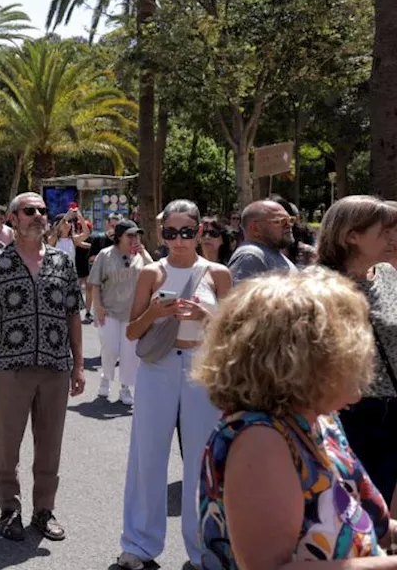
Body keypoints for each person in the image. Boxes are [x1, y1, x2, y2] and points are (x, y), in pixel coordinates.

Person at [195, 269, 397, 568]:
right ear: (304, 361)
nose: (366, 355)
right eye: (354, 343)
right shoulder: (260, 440)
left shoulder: (319, 421)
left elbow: (373, 529)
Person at [117, 200, 232, 570]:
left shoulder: (218, 273)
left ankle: (202, 552)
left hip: (201, 367)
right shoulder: (152, 272)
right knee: (146, 456)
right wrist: (155, 311)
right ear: (161, 233)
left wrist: (206, 315)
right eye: (170, 233)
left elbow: (236, 333)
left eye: (186, 232)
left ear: (199, 232)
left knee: (202, 461)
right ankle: (138, 545)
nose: (178, 241)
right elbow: (133, 332)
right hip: (158, 367)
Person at [0, 191, 85, 542]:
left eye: (42, 210)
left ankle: (43, 510)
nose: (38, 215)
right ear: (13, 218)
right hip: (12, 366)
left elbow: (73, 315)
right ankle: (10, 509)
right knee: (6, 444)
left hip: (55, 366)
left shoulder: (62, 262)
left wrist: (79, 365)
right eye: (29, 210)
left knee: (50, 443)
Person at [316, 195, 397, 504]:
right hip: (348, 413)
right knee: (351, 507)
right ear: (351, 236)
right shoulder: (318, 286)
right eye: (384, 231)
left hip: (393, 411)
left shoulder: (388, 275)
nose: (393, 238)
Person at [88, 219, 151, 405]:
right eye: (130, 235)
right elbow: (95, 284)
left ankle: (125, 388)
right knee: (111, 349)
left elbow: (156, 272)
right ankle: (106, 379)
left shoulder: (139, 255)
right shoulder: (105, 255)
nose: (134, 238)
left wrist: (144, 252)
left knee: (129, 354)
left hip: (133, 314)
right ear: (119, 237)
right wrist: (98, 307)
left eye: (136, 234)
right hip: (109, 311)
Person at [228, 200, 297, 283]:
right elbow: (241, 295)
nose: (289, 225)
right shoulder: (251, 255)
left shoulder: (269, 254)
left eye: (290, 220)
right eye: (281, 221)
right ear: (256, 228)